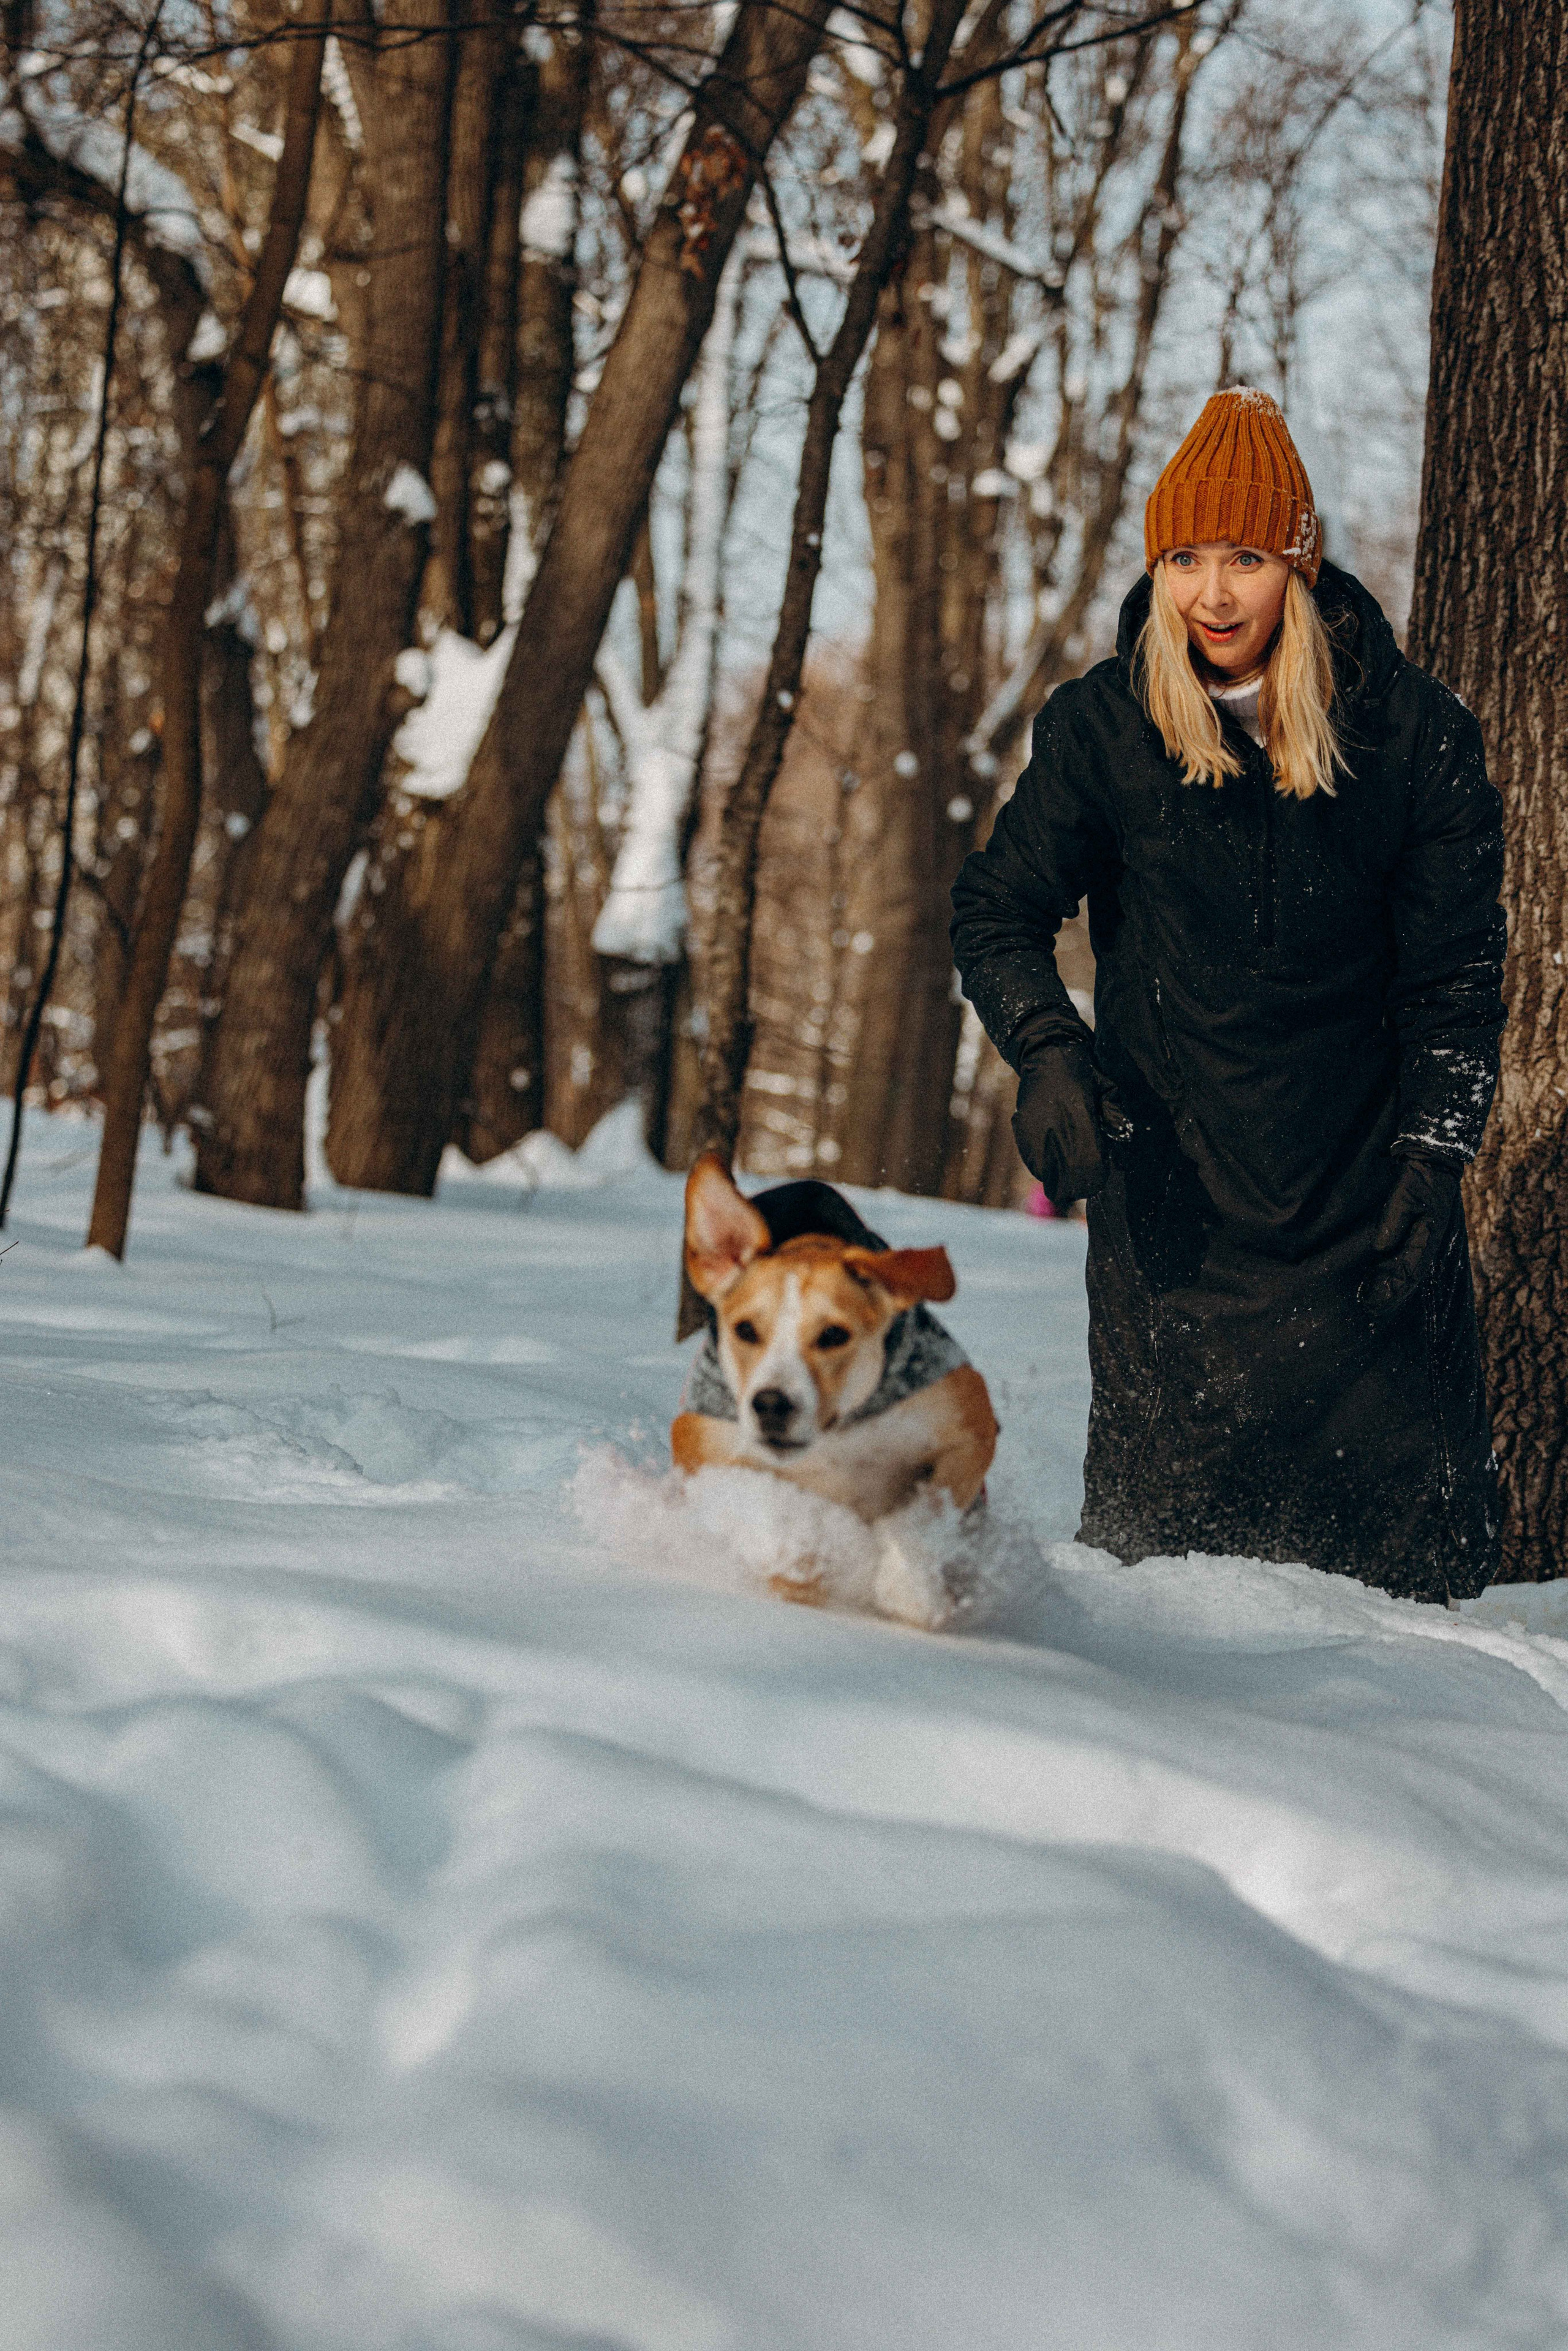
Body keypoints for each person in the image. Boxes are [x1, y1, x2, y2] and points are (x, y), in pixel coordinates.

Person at [950, 387, 1506, 1601]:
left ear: (1295, 565)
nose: (1211, 592)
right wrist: (1048, 1050)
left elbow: (1456, 978)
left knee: (1403, 1624)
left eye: (1244, 557)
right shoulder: (1100, 727)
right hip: (1172, 1232)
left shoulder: (1411, 737)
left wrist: (1433, 1155)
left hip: (1367, 1223)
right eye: (1185, 557)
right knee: (1168, 1610)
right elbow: (994, 910)